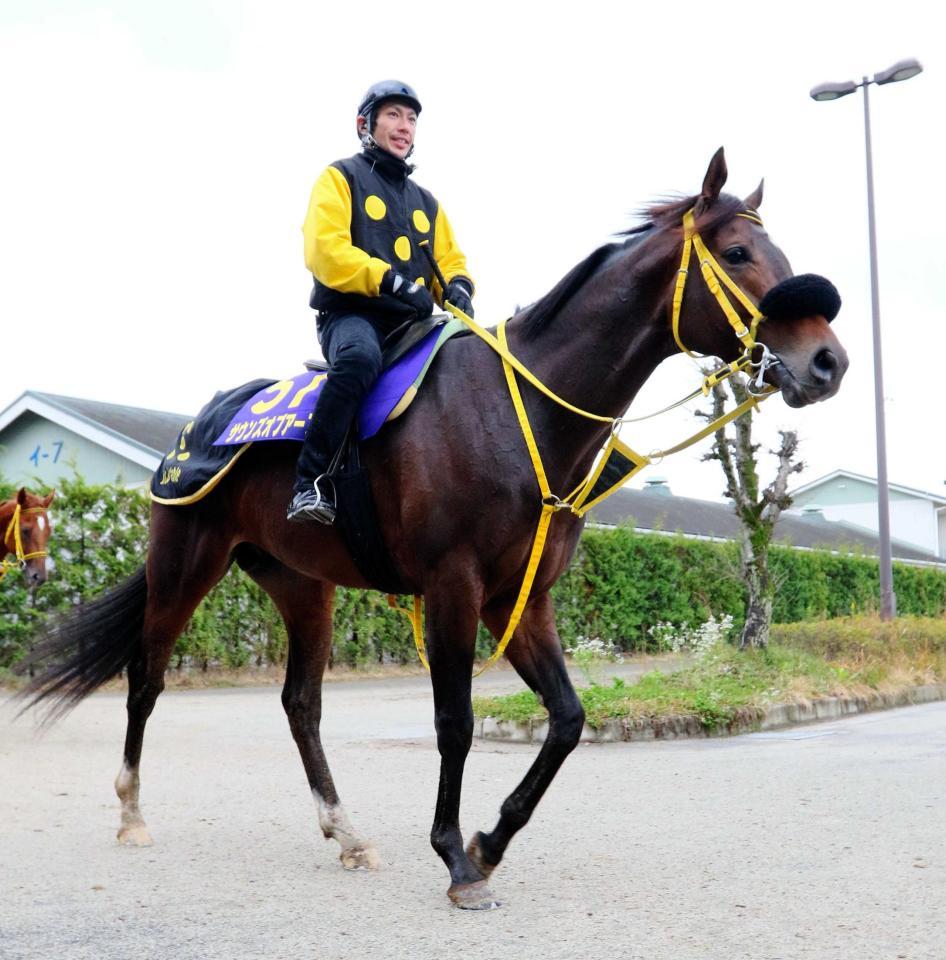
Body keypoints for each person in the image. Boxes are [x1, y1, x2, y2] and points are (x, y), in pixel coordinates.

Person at [287, 79, 475, 525]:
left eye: (411, 119)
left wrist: (459, 285)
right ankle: (309, 483)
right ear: (364, 125)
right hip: (351, 316)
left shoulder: (426, 202)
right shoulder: (339, 177)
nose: (404, 126)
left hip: (412, 325)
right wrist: (390, 282)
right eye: (393, 114)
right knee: (358, 360)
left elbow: (449, 260)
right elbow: (324, 251)